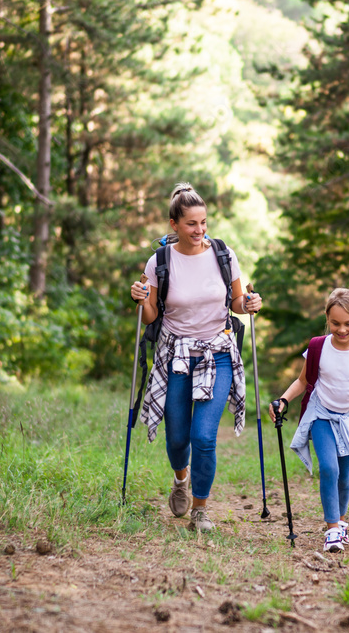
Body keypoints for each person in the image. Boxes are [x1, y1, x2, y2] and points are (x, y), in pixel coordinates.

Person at [130, 182, 262, 532]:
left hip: (218, 352)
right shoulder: (159, 261)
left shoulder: (223, 254)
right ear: (174, 224)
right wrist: (140, 298)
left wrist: (250, 303)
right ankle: (180, 480)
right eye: (191, 223)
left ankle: (200, 509)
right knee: (178, 438)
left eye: (203, 222)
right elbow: (150, 317)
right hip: (175, 355)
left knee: (203, 437)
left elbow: (236, 302)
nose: (199, 230)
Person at [270, 288, 349, 552]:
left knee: (345, 475)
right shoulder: (318, 347)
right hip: (322, 415)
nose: (342, 329)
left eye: (348, 323)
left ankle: (341, 521)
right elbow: (303, 381)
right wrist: (283, 400)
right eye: (335, 323)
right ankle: (332, 530)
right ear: (327, 318)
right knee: (329, 469)